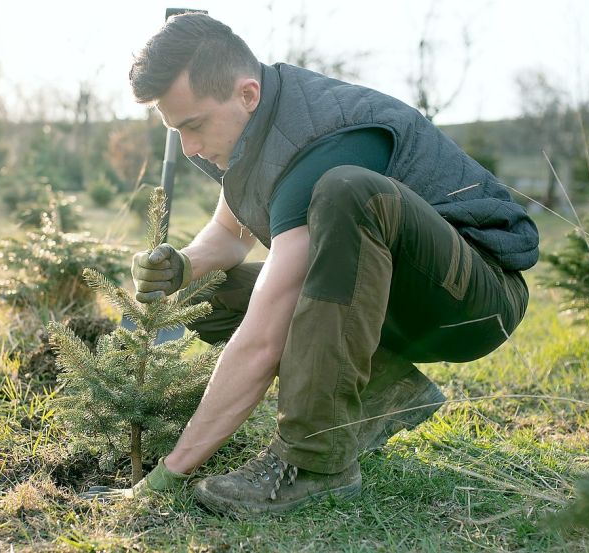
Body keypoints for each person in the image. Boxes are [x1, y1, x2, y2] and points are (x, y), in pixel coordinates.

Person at [90, 12, 539, 515]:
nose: (190, 147)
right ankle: (384, 390)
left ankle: (313, 461)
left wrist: (170, 473)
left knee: (347, 190)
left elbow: (263, 337)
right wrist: (181, 266)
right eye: (177, 132)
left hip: (471, 299)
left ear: (247, 94)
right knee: (204, 291)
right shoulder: (253, 124)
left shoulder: (321, 141)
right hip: (386, 294)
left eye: (193, 126)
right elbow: (228, 232)